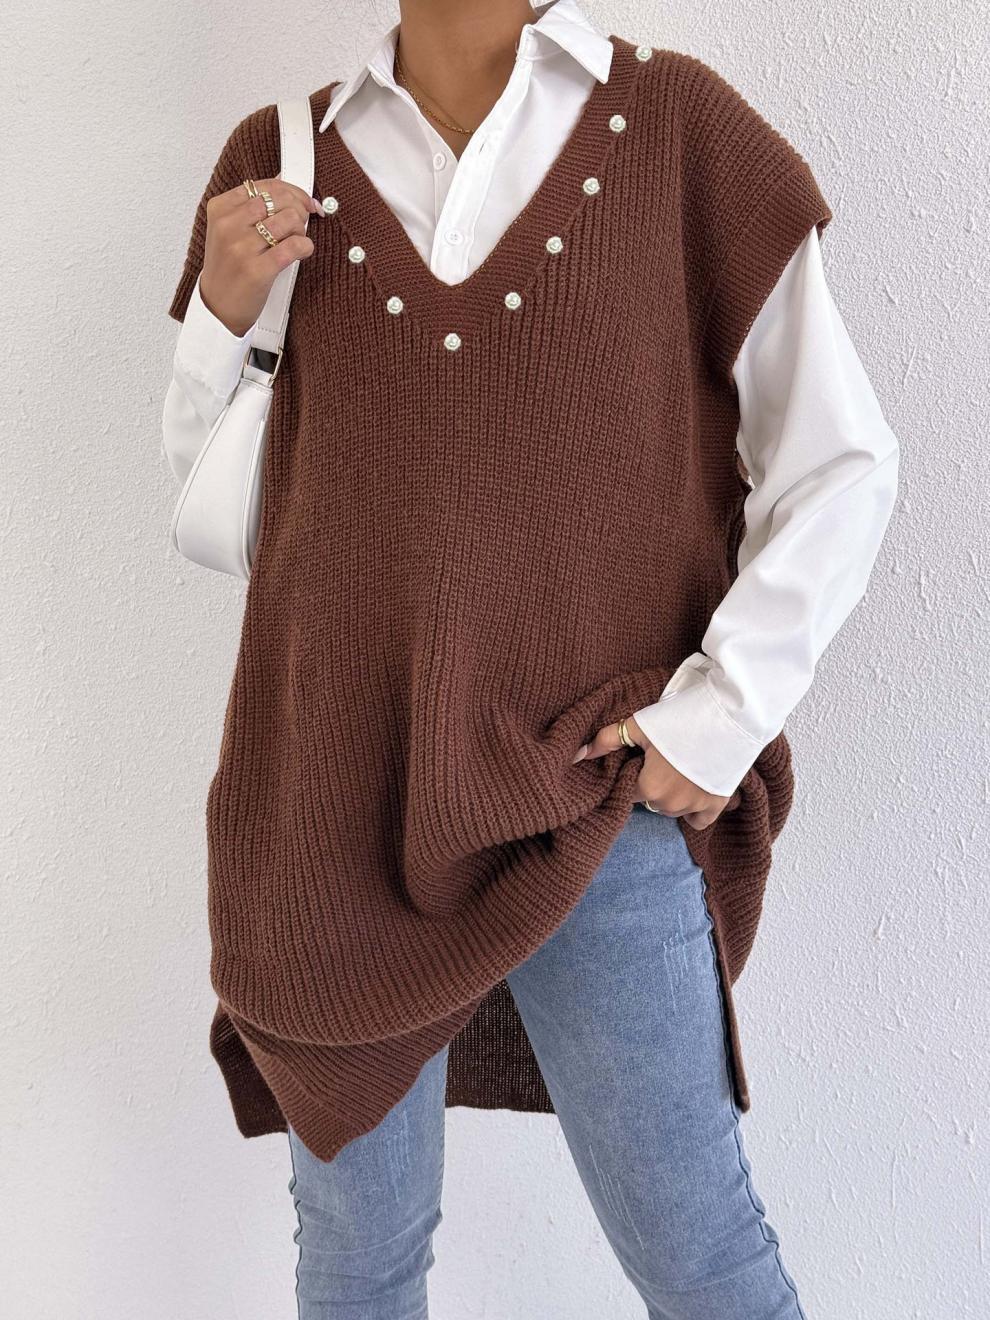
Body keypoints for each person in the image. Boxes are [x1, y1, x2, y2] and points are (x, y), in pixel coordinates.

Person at [162, 1, 899, 1315]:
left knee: (701, 1259)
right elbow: (234, 523)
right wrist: (221, 314)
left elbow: (840, 465)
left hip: (596, 802)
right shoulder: (279, 158)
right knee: (358, 1267)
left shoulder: (679, 130)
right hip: (332, 820)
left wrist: (714, 720)